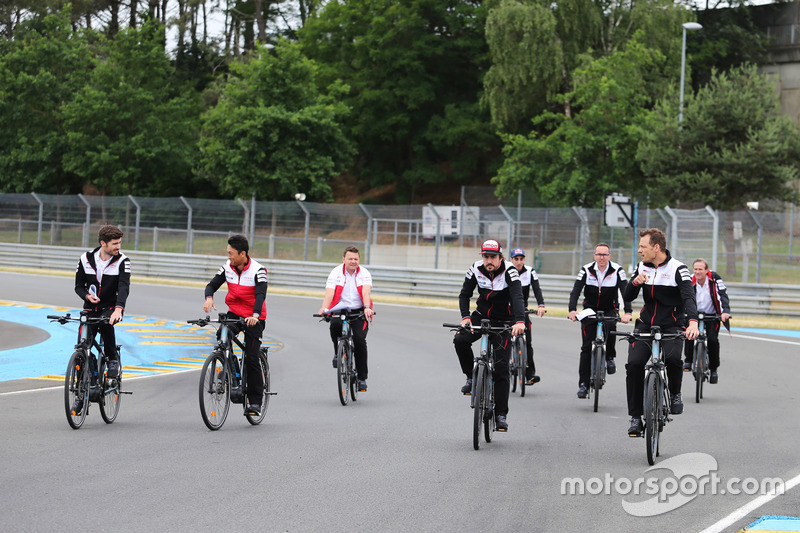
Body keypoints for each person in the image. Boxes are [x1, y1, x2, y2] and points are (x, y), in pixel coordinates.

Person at [622, 228, 698, 437]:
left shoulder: (678, 269)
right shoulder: (641, 267)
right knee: (635, 364)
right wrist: (635, 282)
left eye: (643, 247)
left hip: (671, 324)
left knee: (674, 359)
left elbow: (689, 298)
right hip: (646, 324)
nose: (639, 251)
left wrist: (692, 322)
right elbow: (628, 295)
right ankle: (636, 417)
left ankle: (674, 394)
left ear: (656, 247)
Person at [453, 240, 526, 432]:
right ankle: (471, 377)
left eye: (493, 257)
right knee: (460, 339)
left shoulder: (510, 271)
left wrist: (519, 321)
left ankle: (501, 415)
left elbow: (518, 297)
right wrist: (465, 318)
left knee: (502, 368)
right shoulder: (475, 268)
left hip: (503, 321)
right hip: (481, 317)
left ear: (500, 257)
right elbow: (464, 294)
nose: (489, 261)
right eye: (486, 256)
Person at [204, 235, 268, 417]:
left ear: (242, 254)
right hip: (234, 313)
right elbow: (212, 285)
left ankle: (255, 402)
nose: (228, 256)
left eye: (231, 253)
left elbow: (261, 295)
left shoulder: (258, 270)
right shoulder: (227, 267)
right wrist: (209, 298)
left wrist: (255, 315)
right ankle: (230, 367)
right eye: (228, 253)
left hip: (254, 317)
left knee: (251, 358)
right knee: (222, 334)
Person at [568, 243, 632, 399]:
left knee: (610, 327)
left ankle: (610, 356)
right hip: (589, 309)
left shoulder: (618, 270)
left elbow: (625, 292)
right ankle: (583, 385)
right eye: (599, 254)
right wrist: (572, 310)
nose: (601, 258)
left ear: (610, 256)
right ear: (594, 256)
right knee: (585, 348)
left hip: (610, 308)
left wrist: (628, 312)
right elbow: (576, 290)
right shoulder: (586, 269)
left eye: (605, 255)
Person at [74, 225, 131, 391]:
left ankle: (112, 358)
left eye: (119, 243)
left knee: (106, 324)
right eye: (115, 243)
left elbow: (123, 287)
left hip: (110, 307)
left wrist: (118, 309)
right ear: (103, 243)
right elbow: (78, 286)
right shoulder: (85, 258)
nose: (118, 247)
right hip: (90, 308)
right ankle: (81, 389)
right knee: (81, 347)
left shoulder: (123, 261)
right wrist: (86, 296)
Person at [318, 246, 374, 392]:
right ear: (344, 259)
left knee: (359, 341)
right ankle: (338, 352)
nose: (353, 261)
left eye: (356, 259)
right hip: (340, 309)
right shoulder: (336, 272)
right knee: (335, 326)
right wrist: (324, 308)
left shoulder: (364, 273)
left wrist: (367, 307)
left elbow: (366, 291)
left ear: (359, 260)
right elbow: (329, 293)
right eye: (350, 259)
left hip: (359, 311)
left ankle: (362, 378)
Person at [683, 258, 732, 384]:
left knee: (712, 340)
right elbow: (683, 296)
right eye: (695, 269)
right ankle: (688, 360)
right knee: (689, 335)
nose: (697, 272)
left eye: (700, 269)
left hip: (712, 315)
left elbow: (723, 294)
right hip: (694, 315)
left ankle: (714, 369)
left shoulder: (715, 279)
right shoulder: (690, 279)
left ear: (706, 270)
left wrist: (725, 311)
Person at [509, 248, 546, 385]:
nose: (519, 262)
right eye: (516, 259)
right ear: (511, 259)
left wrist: (541, 305)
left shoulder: (530, 271)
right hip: (507, 310)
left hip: (522, 310)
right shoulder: (506, 270)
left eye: (521, 259)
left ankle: (530, 375)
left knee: (527, 342)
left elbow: (537, 289)